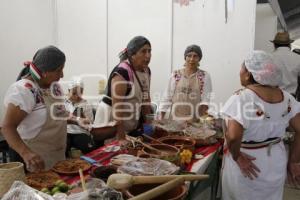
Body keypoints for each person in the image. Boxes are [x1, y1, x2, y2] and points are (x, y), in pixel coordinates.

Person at [221, 51, 300, 200]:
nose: (239, 72)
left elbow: (233, 136)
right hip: (275, 161)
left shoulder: (241, 98)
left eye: (241, 68)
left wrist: (237, 156)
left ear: (248, 73)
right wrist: (294, 161)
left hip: (249, 163)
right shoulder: (287, 98)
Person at [2, 46, 68, 172]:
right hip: (35, 161)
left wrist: (77, 120)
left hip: (57, 157)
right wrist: (26, 153)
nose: (62, 75)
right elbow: (7, 127)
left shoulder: (55, 87)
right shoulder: (23, 90)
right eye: (59, 70)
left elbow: (59, 115)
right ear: (44, 72)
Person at [93, 36, 152, 141]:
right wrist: (121, 138)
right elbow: (117, 109)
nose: (148, 55)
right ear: (132, 55)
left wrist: (148, 125)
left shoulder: (147, 71)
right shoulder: (122, 72)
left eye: (149, 51)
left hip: (128, 121)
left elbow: (146, 98)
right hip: (111, 121)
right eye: (143, 51)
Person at [158, 44, 212, 121]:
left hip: (194, 122)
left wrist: (202, 122)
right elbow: (167, 97)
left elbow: (205, 101)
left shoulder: (204, 76)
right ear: (185, 57)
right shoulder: (175, 75)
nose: (192, 59)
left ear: (199, 58)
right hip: (175, 121)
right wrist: (161, 117)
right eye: (189, 56)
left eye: (195, 56)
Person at [65, 78, 99, 154]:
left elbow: (90, 122)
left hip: (80, 132)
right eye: (74, 93)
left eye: (79, 93)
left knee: (90, 149)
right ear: (68, 91)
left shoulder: (86, 104)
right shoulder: (63, 103)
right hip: (66, 132)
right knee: (63, 147)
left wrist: (83, 118)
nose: (77, 96)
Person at [270, 31, 300, 96]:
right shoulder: (298, 58)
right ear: (289, 44)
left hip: (273, 97)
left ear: (275, 44)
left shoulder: (269, 58)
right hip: (291, 97)